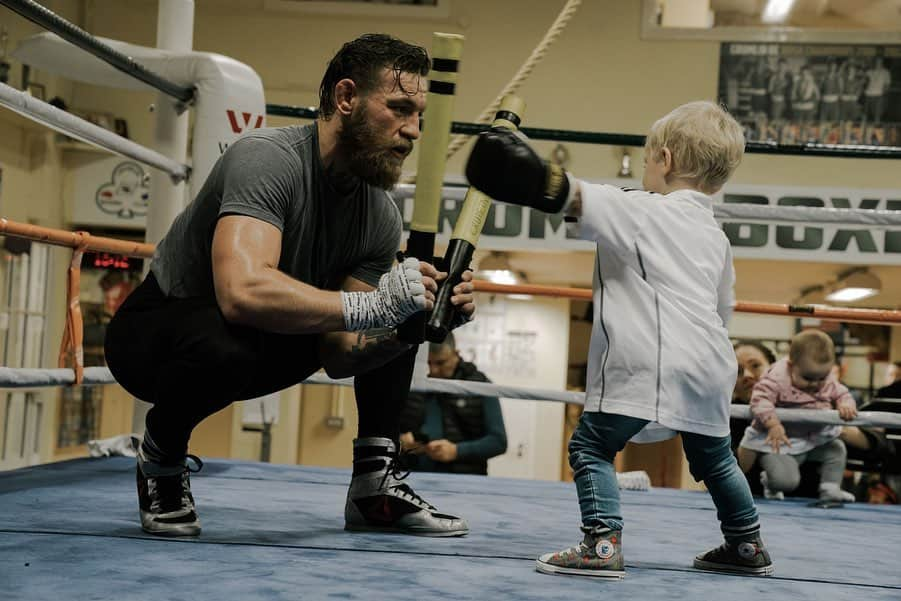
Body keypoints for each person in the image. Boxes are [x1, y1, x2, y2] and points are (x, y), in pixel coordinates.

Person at [104, 34, 477, 538]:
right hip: (156, 338)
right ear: (346, 98)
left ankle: (373, 483)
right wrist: (373, 308)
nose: (412, 131)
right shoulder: (268, 159)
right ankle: (161, 459)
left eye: (420, 117)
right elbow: (241, 293)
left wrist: (413, 322)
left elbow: (342, 354)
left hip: (253, 343)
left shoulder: (380, 215)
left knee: (402, 312)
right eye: (399, 108)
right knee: (230, 341)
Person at [464, 100, 773, 578]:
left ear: (664, 160)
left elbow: (567, 193)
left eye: (648, 158)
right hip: (712, 362)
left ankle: (602, 545)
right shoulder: (716, 236)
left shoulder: (640, 208)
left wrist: (514, 162)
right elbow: (723, 307)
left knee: (590, 447)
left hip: (649, 358)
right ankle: (747, 544)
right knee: (714, 458)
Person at [739, 330, 857, 504]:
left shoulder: (825, 377)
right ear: (791, 365)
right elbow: (760, 400)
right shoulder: (776, 378)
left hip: (814, 438)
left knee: (836, 449)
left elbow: (841, 393)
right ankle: (770, 483)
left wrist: (846, 404)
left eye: (821, 378)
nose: (815, 384)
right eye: (808, 378)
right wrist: (772, 424)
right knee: (785, 482)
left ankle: (830, 489)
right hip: (780, 440)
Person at [399, 332, 507, 475]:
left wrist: (456, 451)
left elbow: (498, 441)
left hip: (465, 481)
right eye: (429, 363)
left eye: (440, 362)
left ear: (456, 354)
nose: (433, 370)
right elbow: (393, 431)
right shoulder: (415, 384)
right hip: (415, 478)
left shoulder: (479, 385)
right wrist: (402, 443)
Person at [864, 58, 891, 124]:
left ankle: (876, 128)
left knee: (877, 115)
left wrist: (883, 94)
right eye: (877, 61)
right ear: (874, 62)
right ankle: (864, 129)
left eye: (880, 61)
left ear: (882, 62)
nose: (878, 63)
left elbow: (887, 85)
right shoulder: (869, 71)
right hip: (868, 95)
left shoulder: (886, 72)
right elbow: (863, 82)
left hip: (879, 95)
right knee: (865, 115)